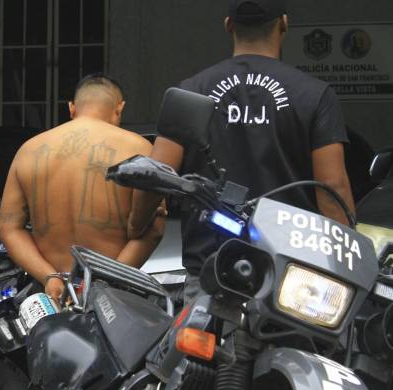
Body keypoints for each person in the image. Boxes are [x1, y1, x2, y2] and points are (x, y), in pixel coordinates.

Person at [128, 0, 355, 301]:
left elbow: (155, 175)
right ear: (284, 24)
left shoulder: (192, 91)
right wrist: (348, 267)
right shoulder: (313, 95)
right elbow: (332, 189)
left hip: (212, 276)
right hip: (292, 283)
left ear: (229, 25)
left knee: (196, 348)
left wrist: (135, 224)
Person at [0, 74, 166, 301]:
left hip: (55, 293)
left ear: (71, 108)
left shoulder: (29, 150)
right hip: (112, 296)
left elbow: (9, 228)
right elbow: (154, 229)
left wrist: (50, 277)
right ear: (119, 108)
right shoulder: (139, 149)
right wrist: (109, 281)